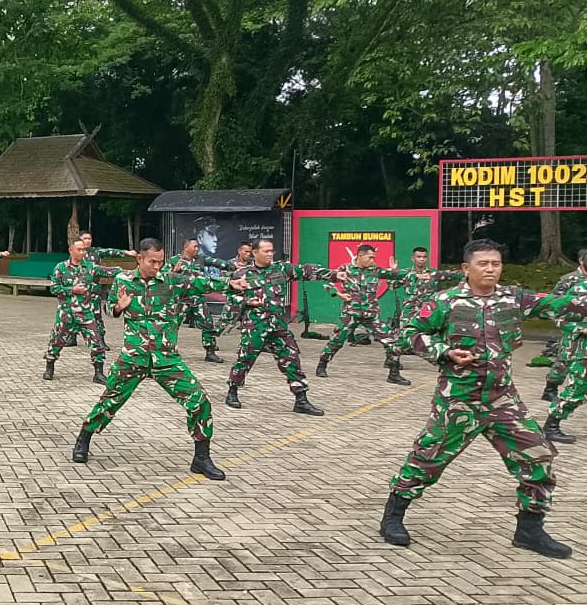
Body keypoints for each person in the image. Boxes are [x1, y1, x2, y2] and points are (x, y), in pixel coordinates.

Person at [379, 239, 587, 558]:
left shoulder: (513, 298)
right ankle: (394, 516)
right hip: (458, 398)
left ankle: (530, 529)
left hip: (502, 398)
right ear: (466, 268)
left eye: (496, 264)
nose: (491, 269)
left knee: (538, 456)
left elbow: (562, 304)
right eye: (483, 264)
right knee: (427, 460)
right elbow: (410, 332)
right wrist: (444, 351)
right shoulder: (445, 301)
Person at [71, 238, 249, 477]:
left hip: (166, 359)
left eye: (160, 261)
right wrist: (119, 307)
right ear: (139, 259)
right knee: (109, 402)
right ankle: (84, 438)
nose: (157, 266)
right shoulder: (123, 281)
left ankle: (201, 458)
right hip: (133, 357)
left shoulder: (171, 281)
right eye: (152, 261)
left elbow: (201, 283)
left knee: (199, 400)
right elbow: (110, 310)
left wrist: (231, 284)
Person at [224, 239, 337, 416]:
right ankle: (233, 391)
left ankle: (301, 399)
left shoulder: (281, 270)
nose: (270, 254)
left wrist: (334, 275)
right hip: (255, 326)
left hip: (278, 326)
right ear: (255, 252)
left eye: (272, 251)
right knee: (245, 359)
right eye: (266, 251)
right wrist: (245, 301)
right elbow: (230, 298)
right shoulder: (242, 274)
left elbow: (306, 271)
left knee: (292, 358)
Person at [315, 243, 408, 385]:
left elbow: (397, 275)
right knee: (336, 341)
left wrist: (395, 270)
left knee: (391, 342)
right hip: (351, 313)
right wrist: (338, 294)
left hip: (371, 315)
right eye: (370, 257)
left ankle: (394, 373)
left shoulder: (375, 270)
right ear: (360, 256)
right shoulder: (345, 269)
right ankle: (322, 366)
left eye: (374, 258)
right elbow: (328, 281)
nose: (373, 260)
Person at [43, 239, 121, 384]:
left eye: (84, 250)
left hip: (86, 314)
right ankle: (49, 367)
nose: (82, 252)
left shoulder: (90, 267)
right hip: (66, 314)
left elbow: (108, 271)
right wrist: (72, 290)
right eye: (79, 249)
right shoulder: (61, 267)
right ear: (71, 250)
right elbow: (54, 288)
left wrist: (132, 271)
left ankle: (98, 373)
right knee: (56, 342)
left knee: (97, 343)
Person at [544, 252, 587, 444]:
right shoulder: (577, 288)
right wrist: (581, 329)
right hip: (581, 348)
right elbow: (558, 314)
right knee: (576, 389)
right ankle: (551, 425)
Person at [168, 237, 225, 363]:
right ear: (185, 247)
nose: (197, 249)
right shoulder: (174, 260)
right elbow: (165, 278)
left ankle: (210, 352)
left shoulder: (200, 259)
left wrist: (231, 265)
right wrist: (173, 272)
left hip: (197, 299)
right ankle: (169, 351)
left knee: (208, 324)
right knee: (172, 326)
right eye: (194, 246)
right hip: (181, 300)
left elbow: (217, 262)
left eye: (197, 246)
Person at [76, 231, 137, 348]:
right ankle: (71, 337)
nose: (87, 240)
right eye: (85, 238)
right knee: (74, 313)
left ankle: (100, 339)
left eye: (89, 238)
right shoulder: (76, 253)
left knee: (96, 315)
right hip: (79, 290)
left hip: (94, 291)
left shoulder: (96, 252)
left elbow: (110, 251)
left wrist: (126, 253)